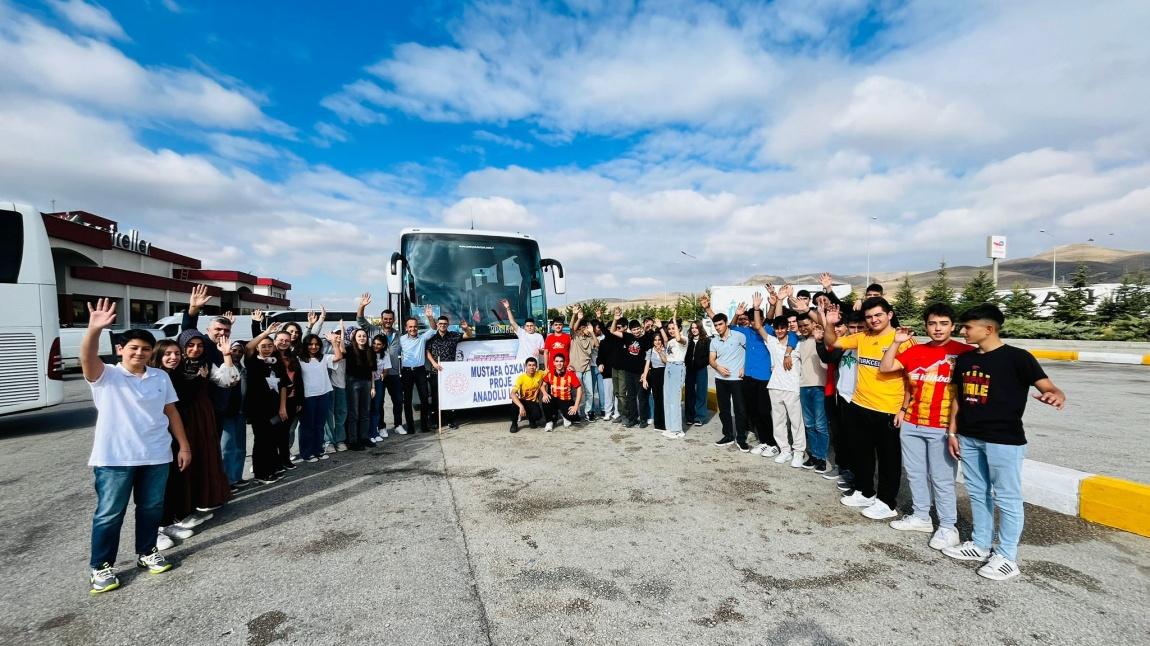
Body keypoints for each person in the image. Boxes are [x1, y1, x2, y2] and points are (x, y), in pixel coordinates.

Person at [942, 304, 1066, 581]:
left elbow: (1047, 386)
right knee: (977, 492)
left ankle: (1007, 556)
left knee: (1007, 498)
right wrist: (953, 433)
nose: (963, 331)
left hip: (1004, 441)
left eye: (968, 327)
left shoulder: (1018, 358)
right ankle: (980, 544)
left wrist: (1055, 395)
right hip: (969, 437)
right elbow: (958, 399)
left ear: (988, 329)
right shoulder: (964, 360)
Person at [82, 299, 188, 594]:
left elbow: (172, 412)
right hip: (114, 458)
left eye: (144, 349)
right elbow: (87, 360)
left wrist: (184, 446)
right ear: (121, 350)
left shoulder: (160, 376)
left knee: (151, 508)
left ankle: (147, 552)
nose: (139, 353)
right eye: (133, 348)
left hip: (156, 454)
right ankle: (101, 567)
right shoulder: (107, 376)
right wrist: (93, 331)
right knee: (109, 513)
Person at [879, 303, 972, 551]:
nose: (937, 328)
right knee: (915, 473)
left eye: (943, 323)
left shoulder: (965, 353)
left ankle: (947, 526)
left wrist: (956, 429)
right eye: (932, 323)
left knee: (942, 479)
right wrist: (897, 342)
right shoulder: (915, 351)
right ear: (926, 326)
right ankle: (921, 516)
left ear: (953, 326)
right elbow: (886, 367)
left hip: (942, 426)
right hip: (912, 423)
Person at [823, 298, 913, 521]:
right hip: (859, 404)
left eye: (878, 315)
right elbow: (832, 343)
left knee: (888, 459)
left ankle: (886, 502)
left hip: (888, 409)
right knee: (861, 453)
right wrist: (829, 323)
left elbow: (910, 380)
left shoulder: (904, 341)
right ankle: (865, 492)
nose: (873, 320)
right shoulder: (862, 337)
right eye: (870, 317)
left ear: (889, 315)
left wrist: (903, 409)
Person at [152, 331, 234, 542]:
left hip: (198, 421)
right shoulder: (158, 374)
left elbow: (228, 381)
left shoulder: (202, 365)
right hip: (173, 427)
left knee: (196, 464)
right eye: (189, 345)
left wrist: (226, 355)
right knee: (170, 475)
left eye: (199, 345)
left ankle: (181, 513)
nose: (194, 349)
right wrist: (191, 311)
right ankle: (163, 525)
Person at [181, 285, 244, 487]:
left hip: (225, 406)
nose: (222, 333)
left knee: (220, 448)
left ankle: (222, 483)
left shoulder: (226, 348)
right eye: (218, 329)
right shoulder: (203, 345)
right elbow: (187, 332)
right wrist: (192, 311)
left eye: (226, 330)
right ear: (208, 330)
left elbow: (230, 379)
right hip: (203, 408)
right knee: (207, 449)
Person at [244, 323, 290, 484]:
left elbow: (284, 385)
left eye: (270, 345)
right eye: (263, 346)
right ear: (258, 348)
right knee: (261, 441)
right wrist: (267, 332)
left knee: (271, 440)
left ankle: (271, 469)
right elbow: (248, 347)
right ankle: (261, 473)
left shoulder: (276, 362)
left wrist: (283, 407)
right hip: (258, 409)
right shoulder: (252, 362)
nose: (267, 348)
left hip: (274, 407)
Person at [759, 314, 804, 467]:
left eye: (782, 328)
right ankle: (785, 450)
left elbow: (796, 335)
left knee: (796, 422)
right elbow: (759, 327)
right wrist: (757, 308)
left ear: (787, 328)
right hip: (775, 386)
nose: (779, 331)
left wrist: (788, 353)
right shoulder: (772, 342)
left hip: (792, 388)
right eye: (777, 328)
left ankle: (799, 452)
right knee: (778, 422)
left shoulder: (796, 343)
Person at [356, 294, 404, 434]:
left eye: (390, 319)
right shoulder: (373, 330)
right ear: (381, 319)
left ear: (393, 320)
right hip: (377, 375)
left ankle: (398, 425)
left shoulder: (398, 334)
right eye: (385, 319)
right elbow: (360, 320)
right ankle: (381, 427)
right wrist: (362, 306)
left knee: (398, 400)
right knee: (379, 402)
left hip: (393, 372)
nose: (388, 321)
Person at [708, 306, 749, 452]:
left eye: (720, 324)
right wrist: (718, 367)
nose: (718, 327)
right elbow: (711, 360)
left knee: (740, 410)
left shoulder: (739, 336)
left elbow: (750, 352)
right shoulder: (714, 341)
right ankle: (728, 435)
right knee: (724, 410)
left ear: (726, 323)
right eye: (715, 325)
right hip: (721, 379)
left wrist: (745, 367)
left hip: (737, 380)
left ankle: (741, 439)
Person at [298, 331, 344, 461]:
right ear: (305, 345)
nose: (314, 347)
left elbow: (338, 357)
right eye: (310, 344)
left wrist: (334, 342)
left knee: (319, 425)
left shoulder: (323, 358)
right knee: (308, 426)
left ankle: (318, 450)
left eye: (316, 344)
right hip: (308, 397)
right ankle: (306, 453)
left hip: (324, 394)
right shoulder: (299, 359)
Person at [426, 314, 474, 429]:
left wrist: (466, 328)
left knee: (449, 397)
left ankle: (450, 421)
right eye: (440, 324)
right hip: (435, 372)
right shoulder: (431, 337)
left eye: (445, 324)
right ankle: (435, 421)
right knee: (436, 397)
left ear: (448, 325)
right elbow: (427, 351)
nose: (442, 325)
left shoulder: (453, 335)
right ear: (437, 325)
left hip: (449, 373)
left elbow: (469, 335)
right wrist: (433, 363)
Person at [797, 312, 830, 471]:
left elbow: (825, 324)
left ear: (813, 324)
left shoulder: (822, 338)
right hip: (804, 387)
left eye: (806, 325)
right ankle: (814, 455)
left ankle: (822, 458)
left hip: (819, 387)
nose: (803, 328)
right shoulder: (800, 342)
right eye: (801, 326)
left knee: (820, 425)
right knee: (809, 424)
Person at [399, 305, 438, 433]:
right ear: (406, 328)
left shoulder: (422, 338)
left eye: (415, 326)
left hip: (420, 371)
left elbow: (433, 328)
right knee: (408, 400)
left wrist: (430, 317)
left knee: (424, 398)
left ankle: (424, 426)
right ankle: (410, 427)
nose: (413, 329)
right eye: (410, 327)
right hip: (406, 372)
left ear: (417, 327)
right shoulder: (401, 339)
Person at [343, 326, 377, 450]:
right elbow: (341, 349)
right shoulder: (349, 350)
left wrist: (373, 387)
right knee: (354, 413)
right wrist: (342, 330)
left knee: (365, 412)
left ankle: (364, 438)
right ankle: (353, 440)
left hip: (367, 383)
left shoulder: (371, 351)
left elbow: (373, 371)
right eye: (359, 336)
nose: (362, 338)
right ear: (354, 338)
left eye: (364, 336)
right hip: (352, 383)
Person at [659, 319, 689, 439]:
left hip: (678, 368)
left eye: (674, 328)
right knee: (667, 398)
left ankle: (677, 430)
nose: (671, 330)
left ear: (679, 328)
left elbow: (678, 339)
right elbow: (668, 357)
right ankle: (670, 427)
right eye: (669, 328)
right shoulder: (670, 341)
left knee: (675, 400)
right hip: (669, 367)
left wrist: (675, 322)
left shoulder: (684, 339)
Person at [568, 310, 599, 421]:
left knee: (590, 392)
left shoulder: (590, 338)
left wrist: (592, 333)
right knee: (578, 393)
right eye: (588, 327)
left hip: (587, 369)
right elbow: (571, 327)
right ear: (582, 328)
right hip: (576, 369)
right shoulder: (575, 337)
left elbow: (597, 345)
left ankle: (588, 412)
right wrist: (577, 316)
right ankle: (578, 411)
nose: (589, 329)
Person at [540, 355, 583, 431]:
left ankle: (565, 415)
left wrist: (576, 406)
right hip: (554, 399)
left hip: (566, 400)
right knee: (545, 400)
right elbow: (542, 385)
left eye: (561, 361)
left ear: (564, 363)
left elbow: (579, 388)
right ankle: (549, 422)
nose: (559, 363)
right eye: (557, 361)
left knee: (574, 417)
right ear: (553, 363)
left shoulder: (570, 374)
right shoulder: (550, 374)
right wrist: (545, 393)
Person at [683, 320, 711, 427]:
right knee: (689, 393)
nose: (694, 330)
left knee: (701, 393)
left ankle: (700, 417)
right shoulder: (688, 340)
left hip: (701, 369)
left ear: (700, 328)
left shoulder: (706, 340)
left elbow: (710, 356)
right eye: (692, 328)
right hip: (690, 369)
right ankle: (689, 417)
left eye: (696, 327)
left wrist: (702, 363)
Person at [502, 298, 544, 367]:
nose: (529, 327)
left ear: (534, 326)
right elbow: (512, 322)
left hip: (533, 366)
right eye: (527, 326)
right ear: (524, 327)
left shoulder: (539, 336)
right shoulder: (521, 333)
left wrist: (539, 350)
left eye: (531, 326)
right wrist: (508, 308)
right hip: (521, 365)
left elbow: (543, 351)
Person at [509, 358, 546, 433]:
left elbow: (554, 370)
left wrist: (569, 368)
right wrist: (521, 406)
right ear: (525, 366)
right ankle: (514, 423)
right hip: (523, 401)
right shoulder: (521, 378)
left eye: (533, 365)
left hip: (533, 401)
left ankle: (531, 419)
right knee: (514, 402)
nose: (532, 367)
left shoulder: (540, 374)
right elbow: (512, 394)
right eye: (529, 365)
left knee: (538, 416)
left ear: (536, 367)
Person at [641, 333, 667, 430]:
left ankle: (665, 423)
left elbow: (666, 362)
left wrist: (660, 352)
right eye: (655, 340)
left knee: (664, 399)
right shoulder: (650, 351)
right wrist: (644, 379)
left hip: (664, 374)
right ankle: (658, 424)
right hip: (655, 376)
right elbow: (647, 365)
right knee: (657, 399)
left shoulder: (666, 349)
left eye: (659, 339)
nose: (657, 342)